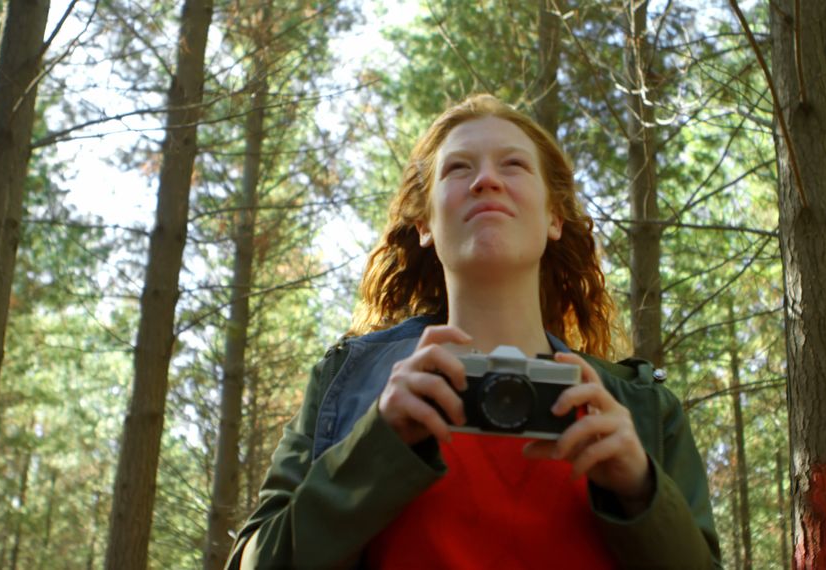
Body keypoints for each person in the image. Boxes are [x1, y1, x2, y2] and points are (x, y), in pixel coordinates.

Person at [226, 94, 721, 569]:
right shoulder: (347, 385)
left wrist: (640, 490)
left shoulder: (643, 411)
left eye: (513, 165)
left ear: (553, 217)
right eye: (458, 168)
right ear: (424, 224)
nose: (486, 180)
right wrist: (376, 445)